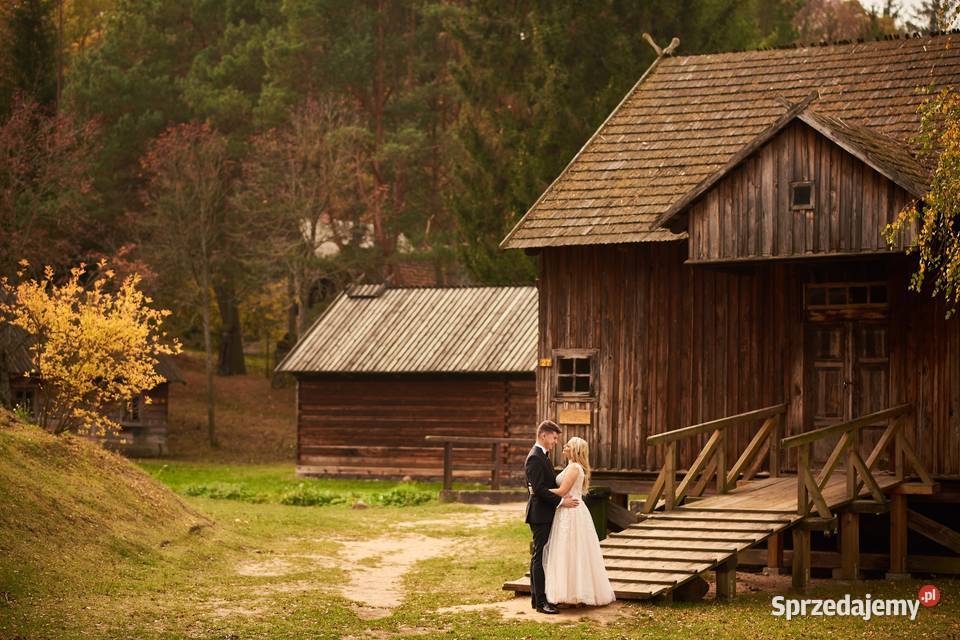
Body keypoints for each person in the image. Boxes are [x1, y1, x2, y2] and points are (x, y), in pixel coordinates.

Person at [542, 436, 616, 607]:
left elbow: (562, 491)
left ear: (574, 450)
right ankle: (568, 593)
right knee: (566, 551)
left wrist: (539, 490)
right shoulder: (570, 466)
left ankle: (575, 594)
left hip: (572, 513)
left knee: (572, 551)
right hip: (566, 511)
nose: (564, 446)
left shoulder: (575, 467)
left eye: (567, 445)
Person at [524, 420, 579, 614]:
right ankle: (541, 603)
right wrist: (561, 502)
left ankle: (536, 599)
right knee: (540, 557)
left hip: (544, 512)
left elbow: (539, 487)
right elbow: (537, 489)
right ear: (543, 435)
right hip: (539, 514)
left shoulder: (543, 456)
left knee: (539, 556)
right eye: (554, 438)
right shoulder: (535, 457)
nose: (556, 442)